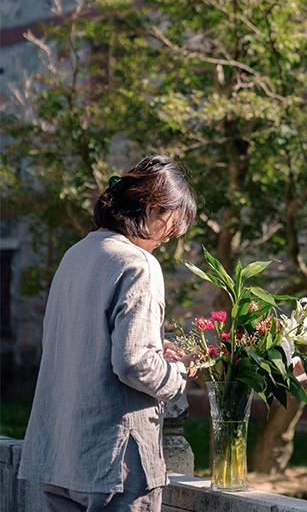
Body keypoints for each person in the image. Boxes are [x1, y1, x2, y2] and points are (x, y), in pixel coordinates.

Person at [18, 155, 198, 512]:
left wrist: (152, 346)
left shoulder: (76, 254)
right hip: (115, 458)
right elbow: (134, 364)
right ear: (154, 209)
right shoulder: (138, 264)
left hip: (61, 453)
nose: (168, 239)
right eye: (172, 227)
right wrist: (179, 373)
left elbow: (82, 342)